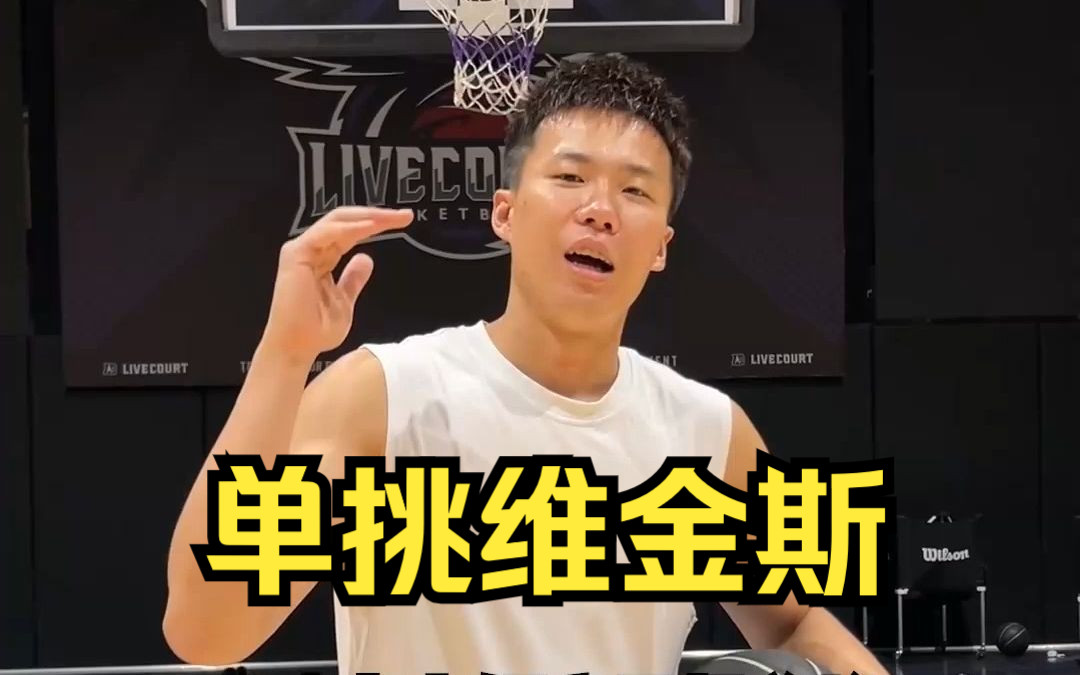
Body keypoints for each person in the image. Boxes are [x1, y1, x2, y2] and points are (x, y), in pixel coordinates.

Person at [163, 54, 888, 675]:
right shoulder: (383, 396)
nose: (601, 209)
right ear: (505, 213)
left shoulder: (709, 430)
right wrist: (284, 355)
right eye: (570, 177)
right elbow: (206, 633)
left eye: (635, 190)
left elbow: (796, 620)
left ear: (661, 247)